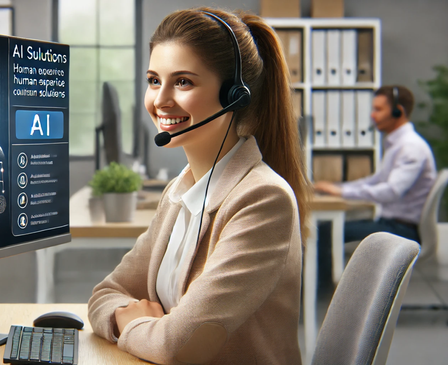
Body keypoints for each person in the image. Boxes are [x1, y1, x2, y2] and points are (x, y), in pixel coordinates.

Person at [88, 8, 310, 364]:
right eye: (154, 80)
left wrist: (130, 325)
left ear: (234, 95)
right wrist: (134, 321)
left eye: (183, 82)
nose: (160, 100)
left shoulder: (263, 200)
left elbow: (179, 346)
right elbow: (106, 293)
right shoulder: (181, 191)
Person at [314, 85, 436, 245]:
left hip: (402, 230)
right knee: (326, 228)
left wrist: (342, 192)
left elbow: (391, 191)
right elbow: (375, 180)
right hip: (391, 224)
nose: (372, 115)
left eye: (378, 109)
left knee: (325, 231)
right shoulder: (397, 144)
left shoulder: (410, 147)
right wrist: (337, 188)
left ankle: (332, 272)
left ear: (397, 111)